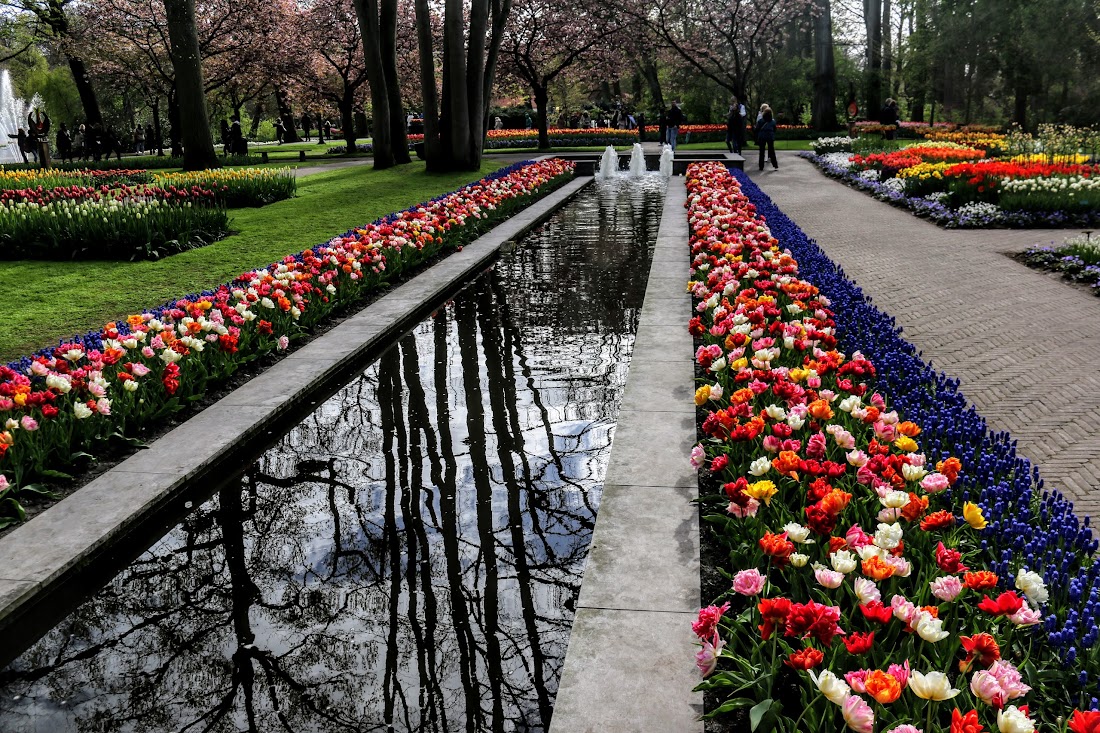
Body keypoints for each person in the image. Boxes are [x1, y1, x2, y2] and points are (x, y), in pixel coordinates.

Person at [754, 105, 778, 171]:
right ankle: (775, 165)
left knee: (761, 152)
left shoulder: (761, 121)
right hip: (770, 137)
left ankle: (761, 166)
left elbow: (757, 129)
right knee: (772, 151)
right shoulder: (773, 121)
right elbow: (775, 129)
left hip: (762, 137)